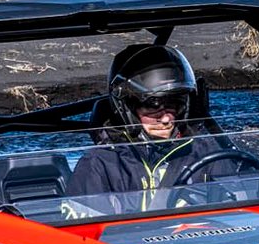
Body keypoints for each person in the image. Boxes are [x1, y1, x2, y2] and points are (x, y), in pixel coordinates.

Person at [62, 43, 234, 215]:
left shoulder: (206, 151)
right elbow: (82, 236)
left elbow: (240, 213)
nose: (166, 119)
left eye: (174, 105)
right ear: (128, 109)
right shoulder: (99, 164)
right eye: (153, 106)